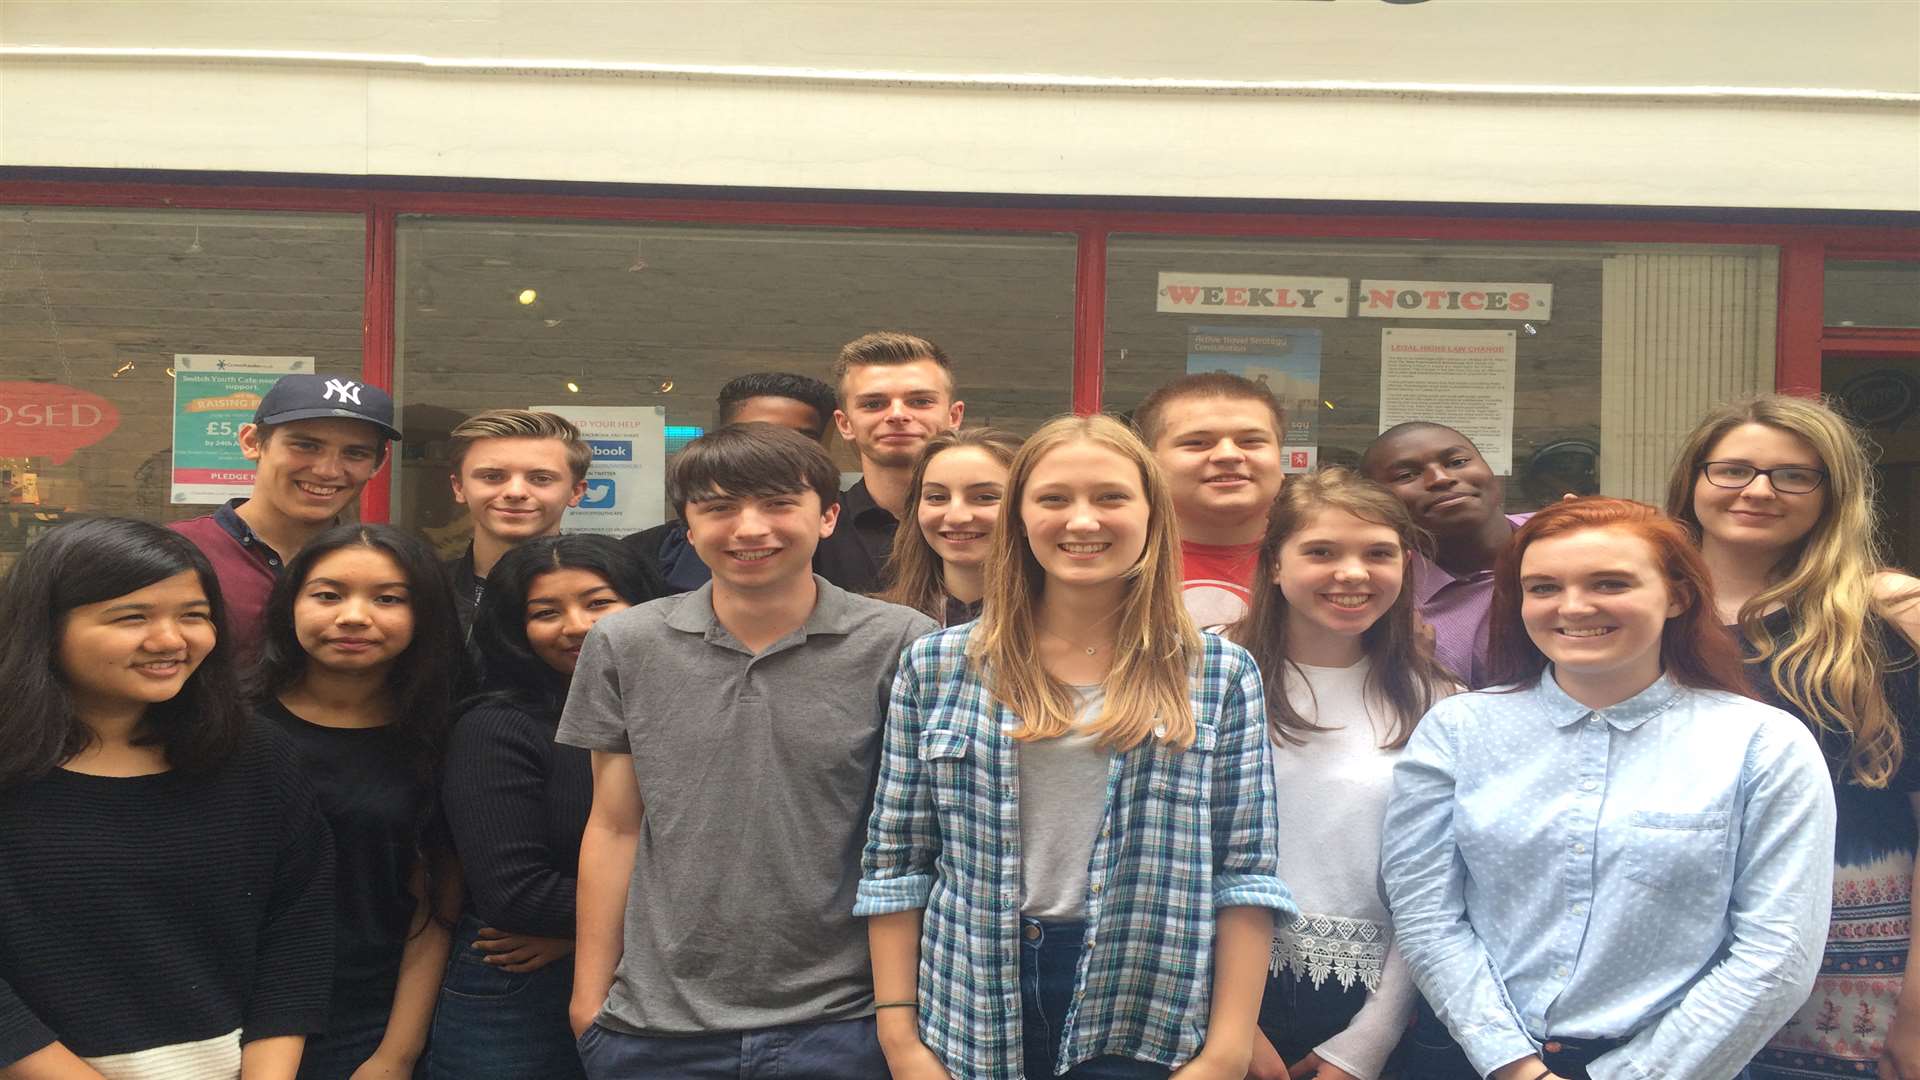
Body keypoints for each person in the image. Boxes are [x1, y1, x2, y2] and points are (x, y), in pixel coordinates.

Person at [858, 414, 1291, 1080]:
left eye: (1111, 498)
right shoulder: (938, 665)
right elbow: (897, 861)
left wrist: (1228, 1048)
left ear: (1152, 515)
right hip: (969, 1005)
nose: (1082, 521)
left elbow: (1244, 873)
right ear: (1021, 519)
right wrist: (901, 1038)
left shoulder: (1219, 673)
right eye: (1054, 499)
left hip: (1147, 1000)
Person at [1382, 497, 1837, 1080]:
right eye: (1543, 587)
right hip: (1472, 1057)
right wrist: (1512, 1064)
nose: (1573, 607)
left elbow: (1778, 956)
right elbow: (1425, 914)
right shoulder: (1458, 729)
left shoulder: (1762, 744)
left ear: (1677, 594)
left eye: (1610, 583)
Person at [560, 423, 936, 1077]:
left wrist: (899, 1018)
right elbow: (615, 826)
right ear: (687, 523)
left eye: (778, 505)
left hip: (845, 1023)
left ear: (828, 517)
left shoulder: (903, 643)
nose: (749, 528)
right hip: (655, 1027)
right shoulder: (626, 643)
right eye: (720, 507)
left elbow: (922, 839)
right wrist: (589, 1001)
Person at [0, 517, 334, 1079]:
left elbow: (297, 930)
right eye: (131, 617)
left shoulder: (255, 755)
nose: (171, 640)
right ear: (46, 626)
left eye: (193, 615)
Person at [1663, 394, 1920, 1080]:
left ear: (1832, 494)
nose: (1757, 490)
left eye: (1793, 475)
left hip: (1849, 956)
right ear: (1694, 479)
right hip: (1665, 944)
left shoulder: (1886, 620)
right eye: (1733, 470)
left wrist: (1917, 1004)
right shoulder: (1637, 610)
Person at [1227, 468, 1453, 1080]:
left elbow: (1440, 887)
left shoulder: (1441, 702)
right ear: (1274, 564)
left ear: (1405, 566)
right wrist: (1229, 1027)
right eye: (1321, 551)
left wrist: (1365, 1044)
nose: (1352, 573)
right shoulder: (1212, 677)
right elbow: (1166, 860)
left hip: (1377, 998)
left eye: (1377, 553)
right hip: (1215, 985)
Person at [429, 535, 656, 1080]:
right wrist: (681, 914)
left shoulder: (676, 713)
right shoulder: (496, 727)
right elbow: (516, 898)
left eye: (598, 602)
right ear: (516, 630)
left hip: (650, 977)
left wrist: (586, 932)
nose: (576, 625)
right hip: (514, 996)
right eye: (545, 612)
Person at [254, 524, 466, 1080]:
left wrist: (395, 1056)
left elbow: (433, 908)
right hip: (224, 1008)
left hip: (365, 1020)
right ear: (291, 602)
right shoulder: (227, 725)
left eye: (388, 599)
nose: (353, 616)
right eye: (328, 595)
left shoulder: (445, 737)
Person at [170, 373, 402, 653]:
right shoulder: (176, 551)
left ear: (378, 463)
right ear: (252, 442)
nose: (327, 471)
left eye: (355, 453)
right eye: (306, 445)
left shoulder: (385, 567)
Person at [623, 371, 838, 594]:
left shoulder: (856, 543)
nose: (776, 451)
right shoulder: (643, 556)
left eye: (800, 439)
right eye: (756, 437)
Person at [1360, 423, 1529, 688]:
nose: (1440, 478)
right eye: (1406, 475)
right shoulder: (1389, 603)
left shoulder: (1574, 537)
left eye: (1458, 461)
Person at [814, 331, 965, 593]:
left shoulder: (1002, 525)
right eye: (874, 404)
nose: (897, 414)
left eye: (920, 401)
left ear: (954, 416)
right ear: (845, 423)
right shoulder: (815, 532)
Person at [1134, 373, 1287, 627]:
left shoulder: (1328, 560)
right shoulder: (1117, 564)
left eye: (1251, 441)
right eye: (1197, 443)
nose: (1228, 455)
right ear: (1149, 464)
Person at [442, 409, 590, 632]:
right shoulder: (425, 592)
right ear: (459, 487)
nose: (515, 492)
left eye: (541, 478)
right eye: (492, 477)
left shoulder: (614, 593)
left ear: (576, 492)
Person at [877, 427, 1021, 624]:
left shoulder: (1061, 625)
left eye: (985, 497)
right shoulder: (879, 625)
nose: (956, 517)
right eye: (937, 497)